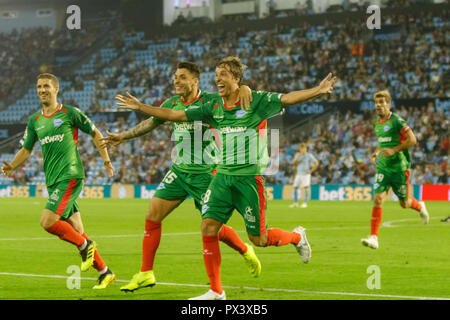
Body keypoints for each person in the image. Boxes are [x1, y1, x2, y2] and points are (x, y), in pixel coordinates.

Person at [116, 56, 336, 300]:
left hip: (248, 179)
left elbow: (287, 98)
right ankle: (216, 291)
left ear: (236, 79)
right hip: (222, 176)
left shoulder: (255, 100)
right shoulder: (213, 108)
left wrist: (318, 90)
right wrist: (141, 107)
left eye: (223, 75)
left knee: (259, 238)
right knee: (208, 228)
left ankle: (296, 237)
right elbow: (173, 115)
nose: (218, 79)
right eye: (216, 74)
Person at [102, 62, 261, 292]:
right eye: (175, 77)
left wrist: (245, 87)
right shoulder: (171, 104)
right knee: (152, 215)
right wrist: (123, 136)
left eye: (182, 77)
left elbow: (235, 95)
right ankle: (146, 272)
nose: (176, 81)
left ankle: (245, 250)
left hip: (206, 174)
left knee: (214, 227)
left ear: (195, 81)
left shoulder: (210, 100)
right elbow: (151, 123)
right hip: (179, 172)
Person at [1, 73, 116, 289]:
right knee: (76, 228)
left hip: (70, 175)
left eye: (46, 86)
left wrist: (106, 160)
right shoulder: (35, 120)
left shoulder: (70, 113)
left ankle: (85, 246)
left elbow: (95, 132)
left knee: (48, 221)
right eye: (38, 86)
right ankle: (104, 271)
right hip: (53, 180)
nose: (42, 90)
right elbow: (26, 149)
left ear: (56, 89)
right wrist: (12, 166)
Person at [361, 90, 429, 250]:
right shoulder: (376, 123)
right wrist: (377, 152)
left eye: (382, 102)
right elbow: (383, 142)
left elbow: (413, 140)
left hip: (399, 169)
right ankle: (374, 237)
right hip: (383, 168)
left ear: (388, 104)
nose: (378, 105)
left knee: (404, 203)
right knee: (378, 199)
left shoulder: (397, 120)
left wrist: (395, 149)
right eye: (376, 103)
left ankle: (420, 206)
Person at [289, 143, 318, 208]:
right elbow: (293, 163)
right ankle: (295, 203)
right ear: (300, 149)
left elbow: (316, 163)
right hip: (298, 174)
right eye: (302, 148)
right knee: (295, 187)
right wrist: (299, 156)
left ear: (306, 149)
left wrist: (311, 170)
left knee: (306, 187)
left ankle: (305, 203)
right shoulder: (297, 155)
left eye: (304, 148)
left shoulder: (309, 155)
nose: (303, 150)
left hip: (305, 174)